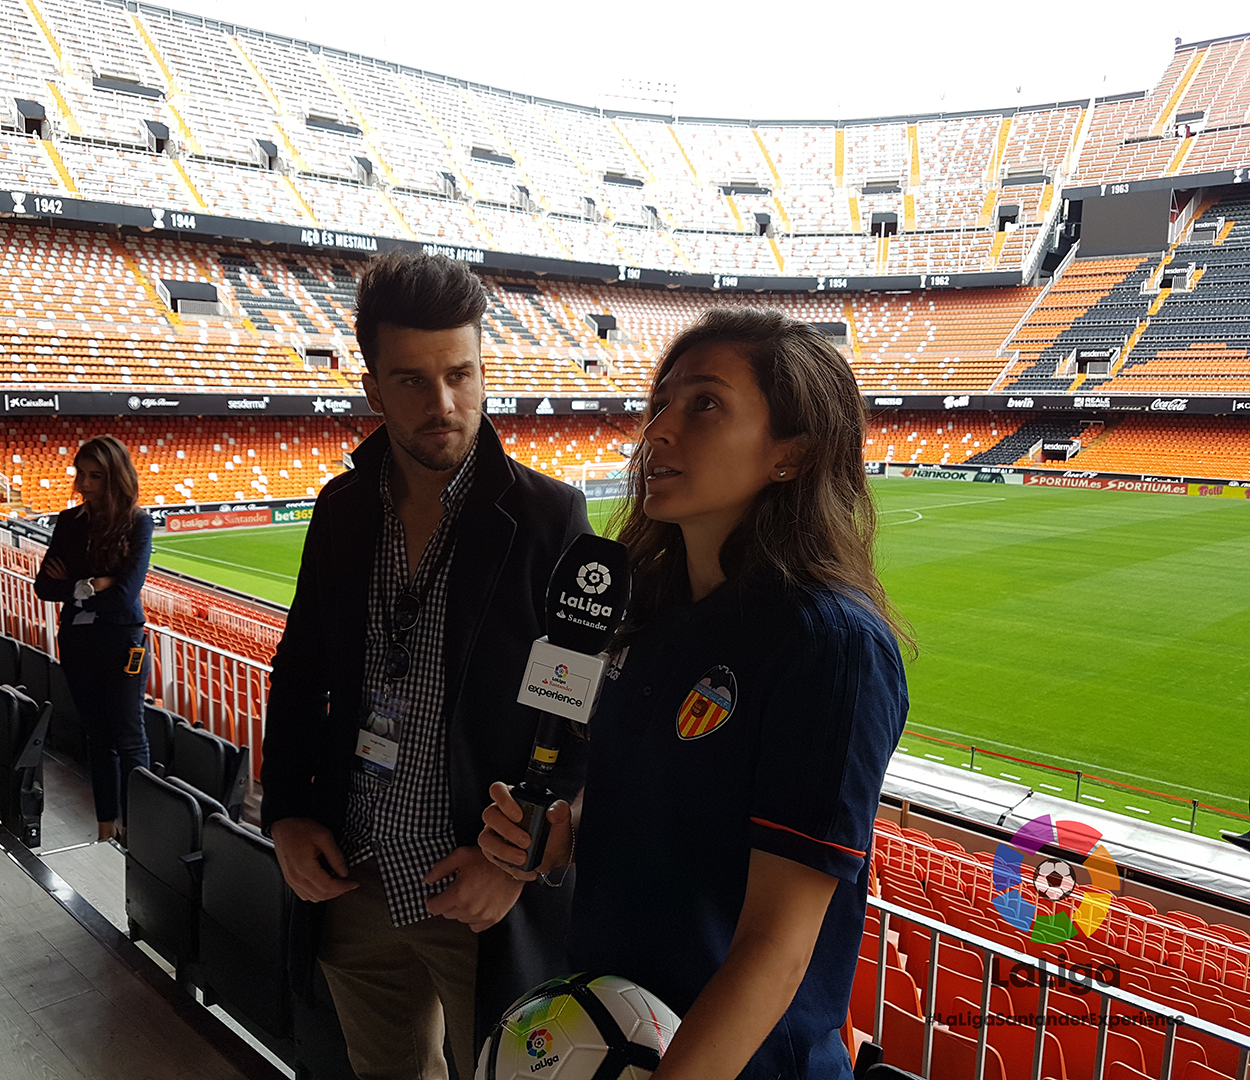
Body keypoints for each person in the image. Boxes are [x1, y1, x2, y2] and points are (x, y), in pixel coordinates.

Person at [480, 309, 913, 1080]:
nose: (659, 432)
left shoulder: (830, 648)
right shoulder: (647, 610)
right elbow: (659, 807)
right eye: (660, 405)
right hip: (605, 1033)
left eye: (704, 404)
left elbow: (777, 947)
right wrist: (559, 837)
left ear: (791, 455)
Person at [260, 251, 592, 1080]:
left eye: (461, 374)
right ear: (373, 388)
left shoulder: (550, 519)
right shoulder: (339, 512)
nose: (443, 405)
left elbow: (574, 709)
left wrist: (516, 862)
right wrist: (287, 815)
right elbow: (299, 672)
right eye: (411, 381)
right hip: (355, 872)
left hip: (474, 887)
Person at [33, 435, 153, 844]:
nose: (84, 484)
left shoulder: (138, 522)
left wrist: (76, 586)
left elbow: (126, 594)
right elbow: (44, 587)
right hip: (78, 643)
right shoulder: (69, 522)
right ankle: (106, 827)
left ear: (114, 477)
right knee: (98, 738)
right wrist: (91, 585)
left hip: (122, 642)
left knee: (128, 735)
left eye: (96, 476)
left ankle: (139, 830)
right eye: (81, 474)